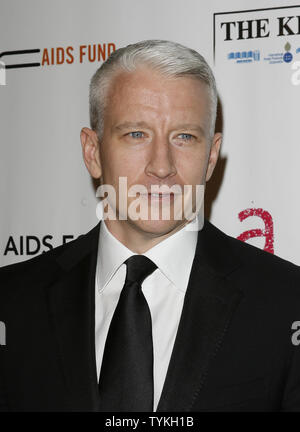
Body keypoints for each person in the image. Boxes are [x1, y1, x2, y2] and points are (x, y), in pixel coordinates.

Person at [0, 39, 300, 412]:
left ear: (210, 157)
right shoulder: (12, 302)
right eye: (136, 135)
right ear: (92, 153)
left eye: (184, 137)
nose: (161, 166)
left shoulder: (287, 303)